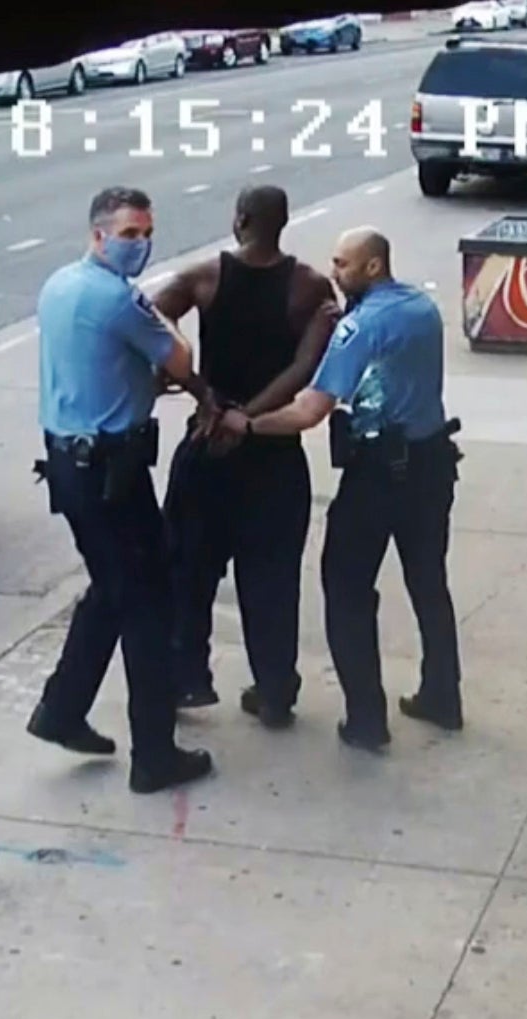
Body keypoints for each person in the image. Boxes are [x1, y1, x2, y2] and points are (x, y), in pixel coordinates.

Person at [211, 227, 461, 752]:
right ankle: (442, 694)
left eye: (342, 264)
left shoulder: (363, 327)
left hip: (377, 476)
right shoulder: (421, 309)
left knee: (346, 589)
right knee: (428, 582)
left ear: (372, 267)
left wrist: (246, 423)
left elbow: (310, 409)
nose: (334, 273)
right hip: (432, 466)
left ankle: (366, 718)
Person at [27, 186, 218, 793]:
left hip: (72, 466)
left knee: (114, 588)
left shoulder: (59, 285)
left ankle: (62, 710)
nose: (140, 244)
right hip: (111, 475)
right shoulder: (117, 300)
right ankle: (155, 753)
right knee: (146, 605)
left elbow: (103, 362)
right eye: (129, 234)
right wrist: (156, 322)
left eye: (146, 233)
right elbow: (182, 359)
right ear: (98, 235)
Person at [150, 185, 339, 729]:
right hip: (274, 453)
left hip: (207, 446)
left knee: (189, 569)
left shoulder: (204, 278)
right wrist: (250, 419)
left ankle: (188, 678)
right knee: (272, 581)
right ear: (283, 222)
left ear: (239, 221)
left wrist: (205, 396)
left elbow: (153, 324)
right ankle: (276, 690)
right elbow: (305, 367)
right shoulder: (308, 287)